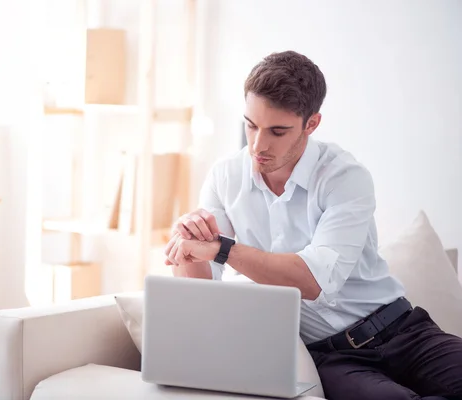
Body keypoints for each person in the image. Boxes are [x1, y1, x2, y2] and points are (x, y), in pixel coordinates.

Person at [163, 50, 462, 400]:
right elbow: (203, 293)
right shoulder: (225, 177)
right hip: (329, 356)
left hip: (405, 332)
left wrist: (222, 248)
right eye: (251, 125)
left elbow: (314, 281)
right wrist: (188, 244)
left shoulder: (344, 177)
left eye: (277, 131)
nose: (257, 145)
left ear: (311, 124)